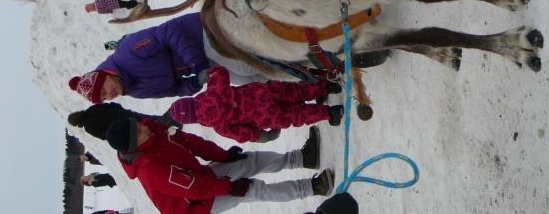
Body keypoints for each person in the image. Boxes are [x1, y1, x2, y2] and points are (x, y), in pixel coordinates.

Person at [106, 118, 334, 213]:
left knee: (247, 161)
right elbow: (194, 189)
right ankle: (314, 188)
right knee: (251, 189)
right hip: (196, 204)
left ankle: (304, 158)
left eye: (136, 125)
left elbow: (189, 142)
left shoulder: (150, 131)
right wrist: (229, 188)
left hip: (199, 177)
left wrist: (224, 156)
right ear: (132, 147)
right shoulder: (150, 170)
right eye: (138, 132)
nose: (143, 127)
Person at [68, 12, 266, 105]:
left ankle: (289, 62)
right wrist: (195, 83)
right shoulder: (136, 92)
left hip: (200, 32)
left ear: (105, 75)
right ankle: (288, 76)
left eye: (103, 90)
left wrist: (197, 64)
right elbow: (175, 89)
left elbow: (169, 32)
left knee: (244, 68)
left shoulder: (128, 52)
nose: (108, 96)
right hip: (203, 61)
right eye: (103, 98)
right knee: (246, 81)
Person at [168, 66, 344, 143]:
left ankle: (331, 113)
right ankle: (327, 86)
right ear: (190, 100)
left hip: (265, 117)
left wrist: (262, 137)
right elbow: (222, 73)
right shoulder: (212, 92)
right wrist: (209, 73)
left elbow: (243, 134)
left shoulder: (219, 127)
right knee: (296, 91)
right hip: (261, 93)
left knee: (297, 115)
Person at [68, 102, 180, 141]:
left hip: (124, 128)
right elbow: (112, 105)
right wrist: (121, 111)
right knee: (150, 119)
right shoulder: (92, 109)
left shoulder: (89, 128)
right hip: (125, 115)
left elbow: (106, 136)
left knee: (151, 127)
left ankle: (175, 116)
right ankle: (175, 117)